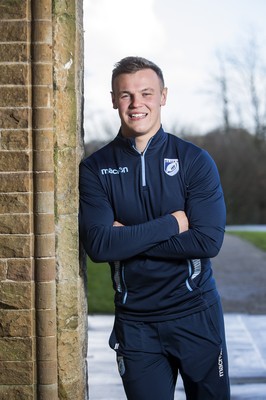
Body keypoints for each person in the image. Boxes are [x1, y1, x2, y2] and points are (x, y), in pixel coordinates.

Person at [79, 56, 230, 400]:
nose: (136, 104)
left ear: (163, 96)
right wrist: (173, 224)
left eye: (146, 93)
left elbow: (207, 240)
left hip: (196, 315)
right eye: (126, 95)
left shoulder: (194, 160)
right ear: (114, 99)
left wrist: (126, 239)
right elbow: (100, 246)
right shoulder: (95, 168)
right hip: (136, 324)